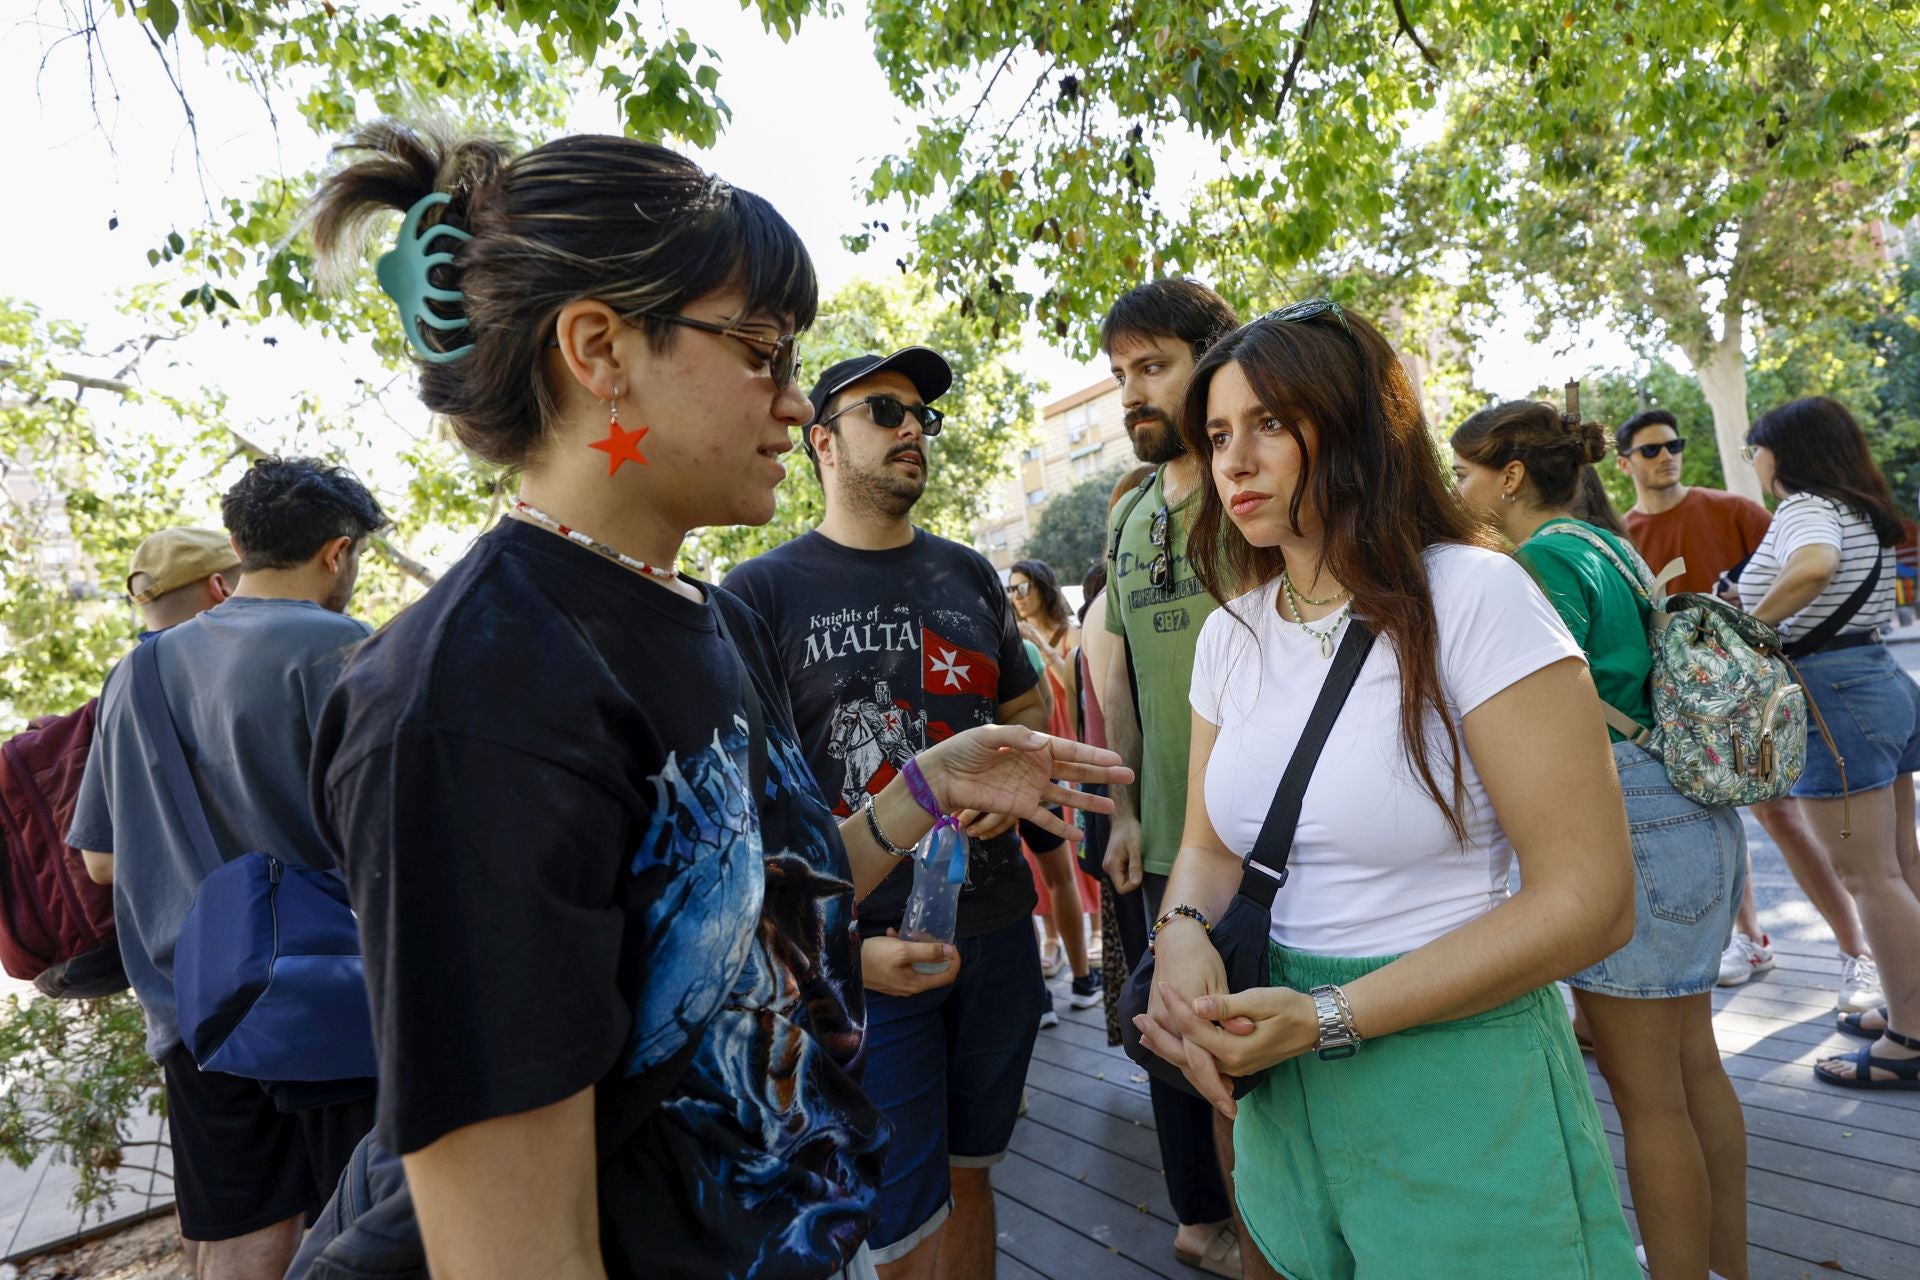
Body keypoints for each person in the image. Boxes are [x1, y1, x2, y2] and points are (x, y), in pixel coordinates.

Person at [301, 123, 1126, 1280]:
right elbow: (517, 1249)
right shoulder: (470, 696)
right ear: (601, 349)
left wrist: (927, 786)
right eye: (762, 351)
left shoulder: (705, 611)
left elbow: (733, 907)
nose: (795, 405)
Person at [1131, 303, 1639, 1279]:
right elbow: (1207, 843)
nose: (1233, 460)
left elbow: (1593, 899)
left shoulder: (1477, 596)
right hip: (1278, 1084)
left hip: (1458, 1079)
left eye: (1270, 422)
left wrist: (1328, 1015)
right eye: (1219, 433)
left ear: (1362, 425)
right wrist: (1182, 932)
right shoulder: (1230, 634)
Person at [724, 348, 1052, 1280]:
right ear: (823, 440)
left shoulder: (971, 577)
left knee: (974, 1173)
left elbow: (1025, 712)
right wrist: (838, 957)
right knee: (896, 1217)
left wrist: (1003, 779)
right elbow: (743, 815)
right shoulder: (759, 594)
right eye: (885, 411)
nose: (913, 428)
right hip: (863, 956)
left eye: (921, 417)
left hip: (994, 934)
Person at [1454, 401, 1750, 1280]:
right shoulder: (1607, 543)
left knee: (1648, 1101)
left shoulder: (1539, 559)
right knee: (1697, 1071)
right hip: (1691, 809)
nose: (1456, 486)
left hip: (1635, 818)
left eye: (1466, 471)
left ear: (1509, 477)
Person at [68, 460, 386, 1279]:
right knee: (364, 1224)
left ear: (239, 547)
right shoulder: (342, 647)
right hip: (329, 997)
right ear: (337, 552)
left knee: (240, 1229)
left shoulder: (135, 673)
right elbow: (390, 833)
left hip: (193, 1007)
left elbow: (101, 862)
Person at [1094, 278, 1249, 1279]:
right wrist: (1116, 807)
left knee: (1250, 1037)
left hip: (1266, 833)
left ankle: (1273, 1224)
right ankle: (1203, 1219)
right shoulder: (1131, 510)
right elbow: (1114, 674)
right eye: (1119, 375)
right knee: (1172, 1031)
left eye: (1153, 367)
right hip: (1163, 834)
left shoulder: (1254, 491)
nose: (1131, 394)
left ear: (1214, 357)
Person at [1614, 411, 1874, 1007]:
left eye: (1675, 445)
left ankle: (1855, 951)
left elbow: (1795, 570)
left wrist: (1742, 623)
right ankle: (1750, 939)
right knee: (1717, 813)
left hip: (1759, 693)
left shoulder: (1733, 510)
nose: (1667, 457)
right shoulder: (1623, 534)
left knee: (1784, 818)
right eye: (1652, 449)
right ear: (1624, 462)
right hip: (1683, 706)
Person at [1732, 397, 1920, 1092]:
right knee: (1899, 864)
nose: (1754, 462)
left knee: (1869, 877)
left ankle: (1909, 1041)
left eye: (1757, 448)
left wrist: (1745, 627)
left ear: (1786, 453)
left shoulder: (1805, 510)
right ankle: (1911, 1005)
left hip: (1831, 694)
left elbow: (1811, 569)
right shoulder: (1856, 509)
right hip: (1876, 679)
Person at [1008, 558, 1099, 1006]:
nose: (1018, 596)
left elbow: (1070, 683)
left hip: (1064, 745)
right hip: (1031, 758)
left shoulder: (1070, 631)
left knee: (1075, 848)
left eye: (1023, 587)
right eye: (1011, 590)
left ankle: (1091, 943)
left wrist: (1038, 648)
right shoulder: (1013, 641)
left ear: (1043, 586)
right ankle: (1053, 948)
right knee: (1039, 864)